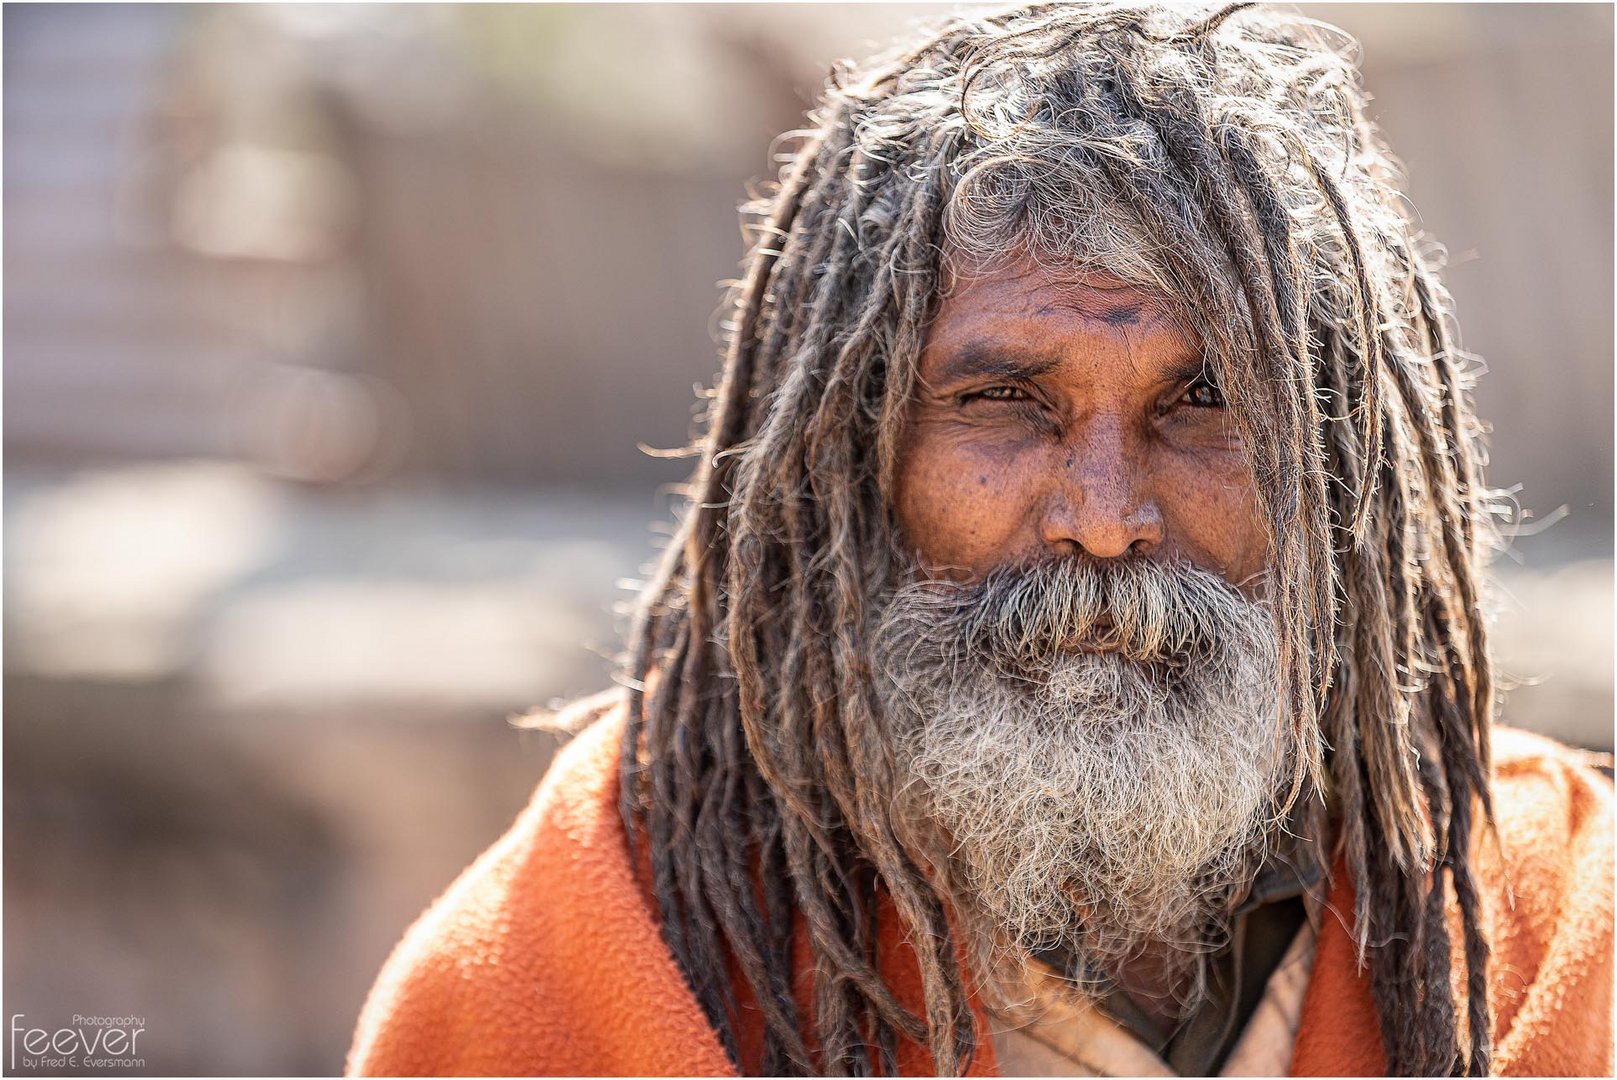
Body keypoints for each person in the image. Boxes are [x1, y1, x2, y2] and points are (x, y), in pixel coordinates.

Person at [346, 3, 1613, 1075]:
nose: (1107, 521)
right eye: (1003, 404)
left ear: (1330, 470)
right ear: (848, 464)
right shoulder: (576, 963)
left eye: (1205, 403)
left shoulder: (1556, 925)